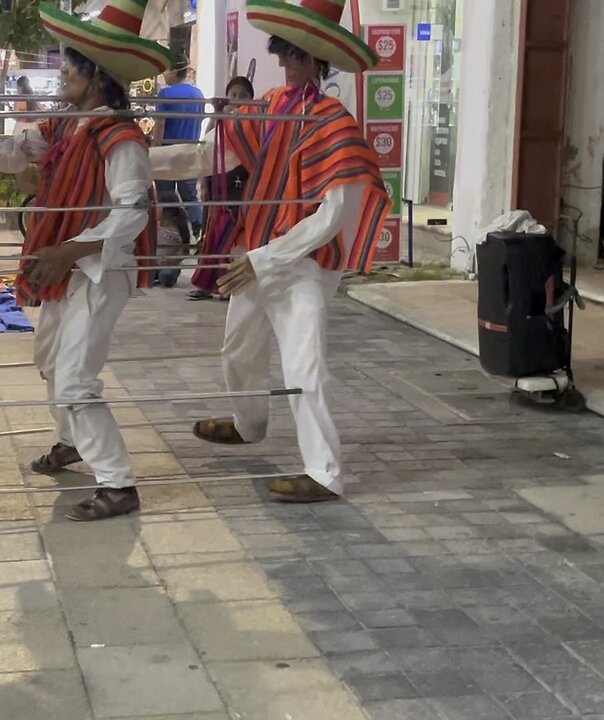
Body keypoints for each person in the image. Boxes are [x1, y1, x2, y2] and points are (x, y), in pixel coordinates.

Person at [151, 0, 390, 503]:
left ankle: (324, 473)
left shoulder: (335, 123)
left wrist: (263, 258)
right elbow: (207, 157)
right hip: (259, 252)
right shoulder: (272, 107)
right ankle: (249, 424)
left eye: (298, 58)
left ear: (318, 61)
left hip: (302, 263)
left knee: (305, 366)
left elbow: (332, 217)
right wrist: (135, 161)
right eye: (285, 56)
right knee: (238, 347)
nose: (289, 66)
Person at [0, 0, 168, 521]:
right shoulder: (66, 127)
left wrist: (71, 249)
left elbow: (134, 214)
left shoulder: (121, 140)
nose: (61, 78)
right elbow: (20, 150)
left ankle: (118, 484)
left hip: (99, 270)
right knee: (50, 361)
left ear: (95, 77)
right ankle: (72, 442)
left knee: (75, 377)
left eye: (69, 70)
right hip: (69, 265)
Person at [189, 75, 254, 302]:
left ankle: (228, 285)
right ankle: (207, 283)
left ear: (252, 100)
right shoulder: (218, 123)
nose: (236, 100)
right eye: (233, 95)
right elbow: (205, 154)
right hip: (218, 185)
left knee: (232, 238)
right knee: (211, 237)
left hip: (240, 190)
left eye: (243, 96)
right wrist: (203, 182)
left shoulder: (254, 125)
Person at [153, 60, 204, 238]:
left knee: (165, 196)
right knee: (190, 196)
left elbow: (160, 124)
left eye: (165, 69)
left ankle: (170, 236)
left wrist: (154, 148)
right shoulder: (198, 94)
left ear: (174, 71)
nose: (163, 74)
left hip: (167, 153)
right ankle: (199, 234)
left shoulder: (165, 94)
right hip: (190, 152)